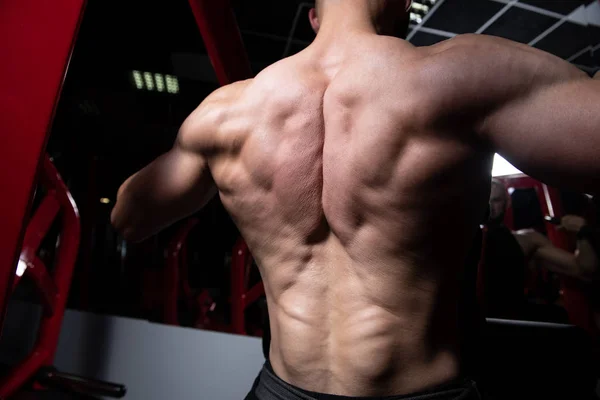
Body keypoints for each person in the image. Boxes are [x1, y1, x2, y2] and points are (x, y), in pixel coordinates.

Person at [111, 1, 600, 398]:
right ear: (403, 6)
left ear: (313, 15)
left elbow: (129, 217)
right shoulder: (466, 78)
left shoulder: (224, 116)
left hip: (283, 391)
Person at [483, 179, 598, 320]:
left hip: (508, 323)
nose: (489, 206)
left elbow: (583, 269)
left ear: (508, 202)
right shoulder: (455, 238)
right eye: (483, 199)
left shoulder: (527, 240)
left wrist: (583, 231)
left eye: (495, 200)